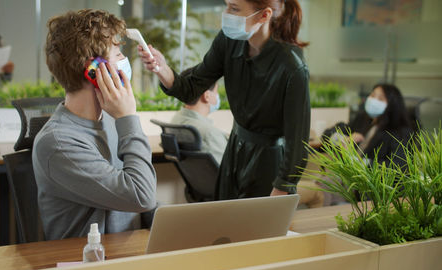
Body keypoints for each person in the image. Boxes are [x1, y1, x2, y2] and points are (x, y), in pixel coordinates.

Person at [140, 0, 310, 199]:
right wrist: (162, 68)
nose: (226, 13)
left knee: (263, 229)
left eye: (234, 8)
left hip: (270, 164)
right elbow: (191, 89)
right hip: (234, 154)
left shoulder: (292, 67)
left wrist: (281, 188)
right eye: (227, 5)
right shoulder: (228, 42)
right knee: (226, 227)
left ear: (264, 15)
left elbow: (298, 145)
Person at [32, 9, 157, 240]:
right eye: (118, 53)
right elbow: (142, 195)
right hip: (89, 265)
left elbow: (147, 201)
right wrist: (128, 118)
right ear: (94, 69)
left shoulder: (110, 120)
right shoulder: (58, 143)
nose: (124, 61)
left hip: (128, 254)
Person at [323, 84, 414, 166]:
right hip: (347, 175)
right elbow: (327, 134)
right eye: (373, 95)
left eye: (381, 99)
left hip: (371, 182)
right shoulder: (362, 119)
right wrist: (344, 140)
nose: (374, 100)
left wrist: (358, 162)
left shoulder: (399, 131)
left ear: (392, 105)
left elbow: (398, 166)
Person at [170, 68, 228, 164]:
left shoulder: (176, 120)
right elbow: (230, 173)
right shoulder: (210, 134)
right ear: (207, 96)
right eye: (216, 91)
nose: (217, 96)